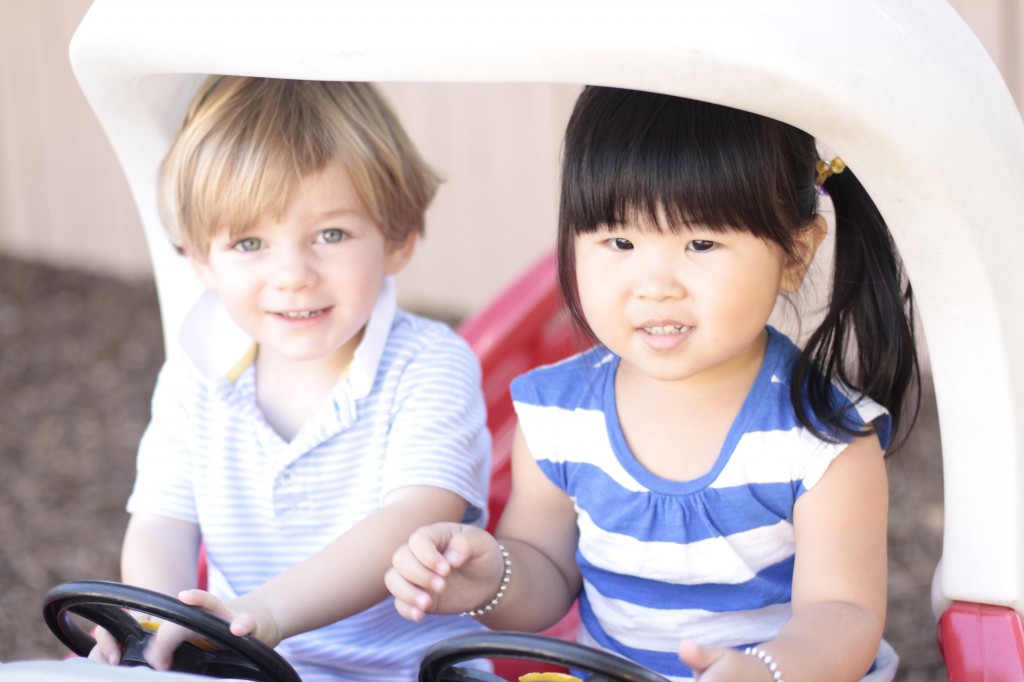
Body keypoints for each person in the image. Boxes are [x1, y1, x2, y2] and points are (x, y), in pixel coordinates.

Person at [386, 86, 920, 682]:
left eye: (701, 243)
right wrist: (491, 579)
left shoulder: (823, 437)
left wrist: (767, 671)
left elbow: (843, 612)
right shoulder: (559, 416)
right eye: (620, 242)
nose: (655, 285)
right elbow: (547, 573)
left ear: (795, 254)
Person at [89, 76, 492, 682]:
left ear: (399, 237)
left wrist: (268, 612)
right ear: (200, 258)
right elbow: (161, 523)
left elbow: (412, 517)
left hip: (410, 671)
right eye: (250, 242)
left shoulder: (429, 363)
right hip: (249, 663)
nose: (293, 274)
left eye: (330, 235)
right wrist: (155, 624)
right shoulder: (195, 376)